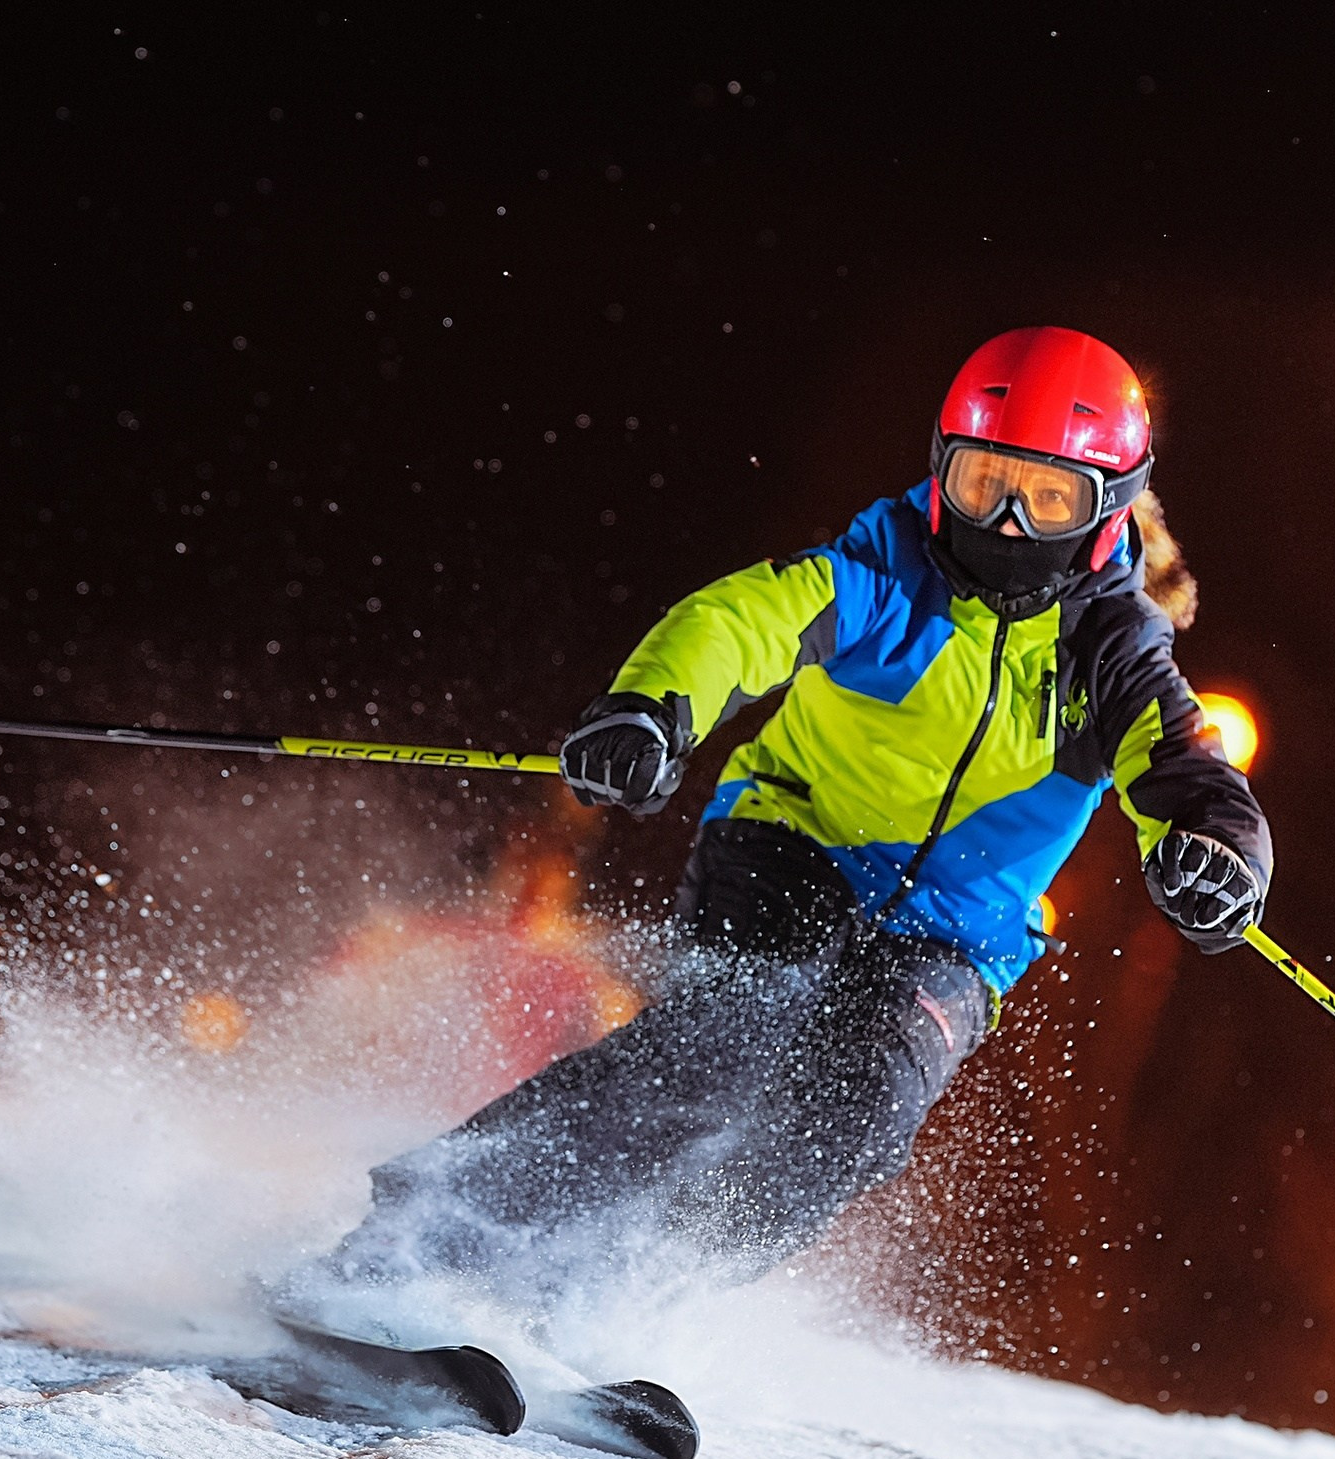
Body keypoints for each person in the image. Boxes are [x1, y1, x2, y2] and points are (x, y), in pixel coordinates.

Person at [316, 326, 1272, 1323]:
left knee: (853, 1120)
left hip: (954, 932)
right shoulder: (891, 569)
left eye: (1049, 499)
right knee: (720, 1045)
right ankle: (414, 1239)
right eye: (983, 481)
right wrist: (653, 710)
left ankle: (613, 1294)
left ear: (1108, 504)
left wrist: (1216, 854)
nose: (1008, 523)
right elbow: (744, 620)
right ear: (941, 466)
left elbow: (1185, 769)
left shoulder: (1111, 653)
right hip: (792, 842)